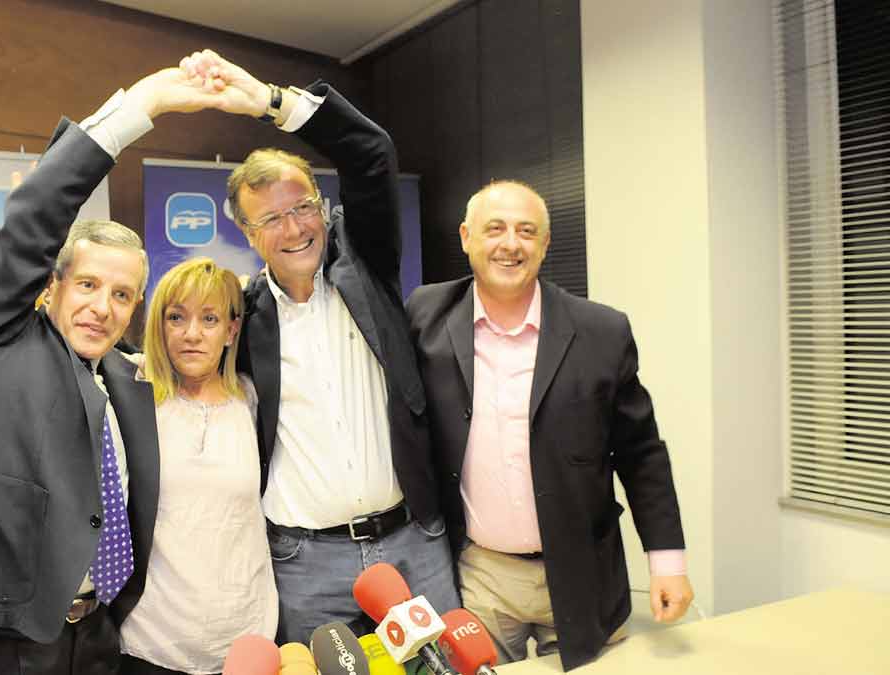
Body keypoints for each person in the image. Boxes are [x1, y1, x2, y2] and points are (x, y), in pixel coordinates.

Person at [0, 67, 227, 674]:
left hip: (99, 635)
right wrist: (144, 105)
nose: (101, 307)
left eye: (122, 294)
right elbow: (30, 223)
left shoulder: (126, 378)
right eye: (87, 284)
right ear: (50, 287)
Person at [179, 50, 459, 644]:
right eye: (272, 219)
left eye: (304, 207)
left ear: (324, 210)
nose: (295, 228)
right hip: (305, 563)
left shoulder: (369, 271)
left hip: (414, 544)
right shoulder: (243, 320)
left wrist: (268, 102)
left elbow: (372, 152)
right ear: (249, 235)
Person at [405, 181, 695, 671]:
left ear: (544, 243)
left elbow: (641, 452)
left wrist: (667, 561)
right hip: (480, 575)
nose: (510, 244)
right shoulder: (425, 316)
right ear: (465, 237)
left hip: (584, 568)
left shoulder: (602, 331)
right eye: (494, 229)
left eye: (526, 231)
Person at [118, 257, 276, 675]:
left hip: (247, 639)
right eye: (176, 317)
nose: (191, 334)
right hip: (151, 641)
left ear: (231, 330)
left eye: (209, 318)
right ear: (159, 325)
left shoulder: (254, 399)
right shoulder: (132, 391)